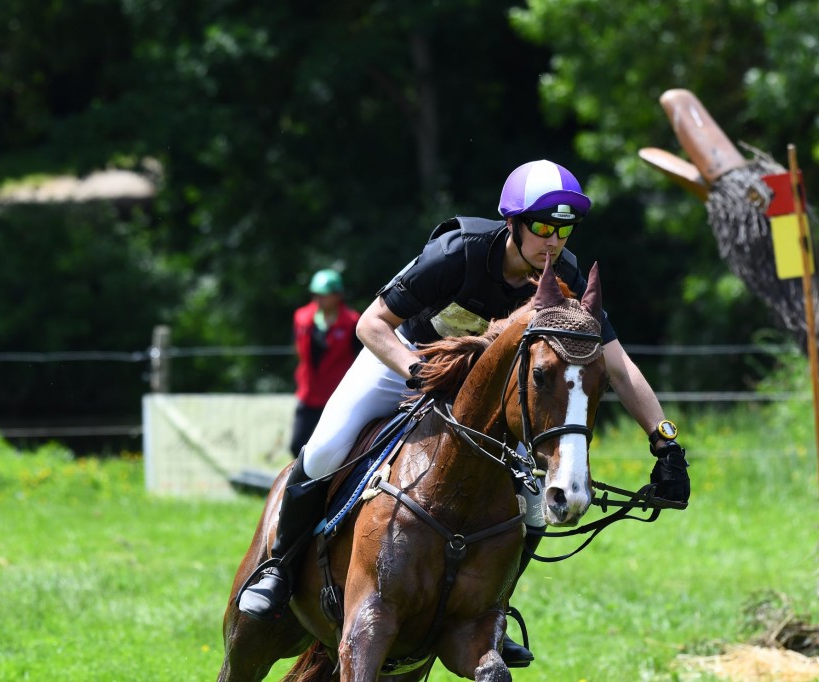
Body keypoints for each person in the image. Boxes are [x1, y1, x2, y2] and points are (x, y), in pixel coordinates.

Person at [238, 160, 691, 667]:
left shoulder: (562, 279)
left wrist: (664, 438)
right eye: (542, 226)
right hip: (405, 359)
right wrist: (417, 370)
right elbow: (371, 324)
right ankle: (278, 568)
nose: (554, 241)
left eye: (564, 229)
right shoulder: (459, 253)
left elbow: (618, 364)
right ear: (512, 223)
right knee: (323, 451)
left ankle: (489, 612)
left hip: (485, 395)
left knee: (533, 503)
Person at [289, 268, 362, 459]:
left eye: (324, 295)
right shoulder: (301, 317)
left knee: (334, 448)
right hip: (308, 393)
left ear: (338, 296)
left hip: (337, 395)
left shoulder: (353, 322)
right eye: (315, 294)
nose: (318, 299)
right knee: (297, 445)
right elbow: (298, 349)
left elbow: (358, 358)